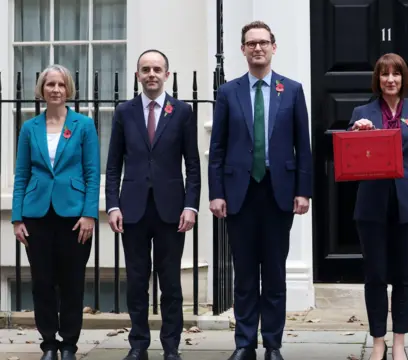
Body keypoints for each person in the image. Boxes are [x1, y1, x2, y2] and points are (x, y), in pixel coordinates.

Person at [208, 21, 312, 360]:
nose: (257, 48)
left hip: (278, 191)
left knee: (275, 272)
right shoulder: (228, 92)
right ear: (242, 49)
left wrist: (303, 191)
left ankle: (273, 344)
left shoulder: (292, 90)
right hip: (239, 192)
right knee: (245, 272)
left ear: (273, 47)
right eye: (251, 43)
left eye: (263, 43)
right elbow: (218, 147)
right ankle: (244, 343)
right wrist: (216, 193)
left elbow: (303, 146)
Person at [105, 49, 201, 360]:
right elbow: (112, 165)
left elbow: (194, 165)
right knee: (136, 282)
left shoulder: (182, 112)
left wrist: (191, 206)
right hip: (132, 210)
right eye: (145, 69)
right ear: (137, 75)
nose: (151, 74)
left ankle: (171, 347)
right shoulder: (125, 112)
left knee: (171, 283)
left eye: (157, 69)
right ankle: (138, 345)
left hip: (172, 211)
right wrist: (113, 205)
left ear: (166, 75)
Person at [348, 53, 408, 360]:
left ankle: (399, 341)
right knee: (375, 275)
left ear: (403, 78)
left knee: (404, 275)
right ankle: (377, 341)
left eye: (396, 74)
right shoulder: (362, 112)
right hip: (372, 205)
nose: (390, 79)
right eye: (384, 74)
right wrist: (356, 134)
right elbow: (351, 160)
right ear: (377, 79)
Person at [12, 64, 100, 360]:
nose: (55, 90)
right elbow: (21, 173)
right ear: (41, 89)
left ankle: (69, 344)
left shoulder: (83, 125)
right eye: (50, 84)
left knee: (72, 283)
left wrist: (90, 213)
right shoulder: (29, 128)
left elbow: (92, 172)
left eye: (61, 85)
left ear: (68, 89)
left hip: (74, 216)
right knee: (42, 282)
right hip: (36, 215)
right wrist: (16, 217)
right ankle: (49, 343)